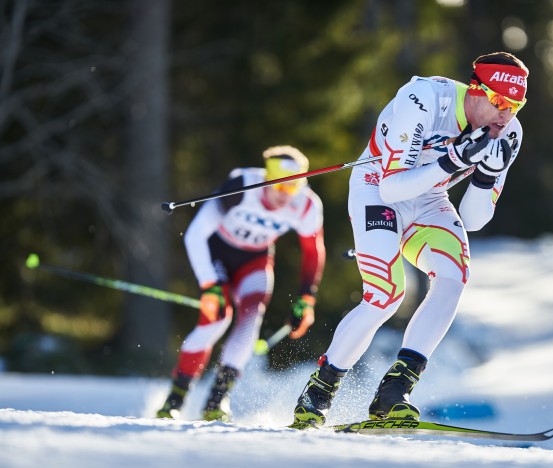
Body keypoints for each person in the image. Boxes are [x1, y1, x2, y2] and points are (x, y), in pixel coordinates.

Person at [291, 51, 528, 428]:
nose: (506, 115)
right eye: (500, 102)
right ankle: (319, 391)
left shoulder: (508, 133)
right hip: (378, 189)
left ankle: (395, 390)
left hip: (431, 198)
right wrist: (452, 161)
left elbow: (474, 219)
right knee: (386, 295)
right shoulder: (426, 100)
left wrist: (486, 176)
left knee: (453, 278)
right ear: (475, 91)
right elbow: (391, 187)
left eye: (516, 105)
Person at [157, 145, 325, 422]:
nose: (284, 197)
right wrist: (210, 285)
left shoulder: (306, 204)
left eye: (291, 190)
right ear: (267, 180)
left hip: (255, 260)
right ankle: (174, 400)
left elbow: (313, 251)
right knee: (216, 320)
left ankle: (216, 401)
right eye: (279, 189)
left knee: (251, 319)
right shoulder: (243, 185)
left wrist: (307, 297)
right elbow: (195, 235)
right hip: (218, 254)